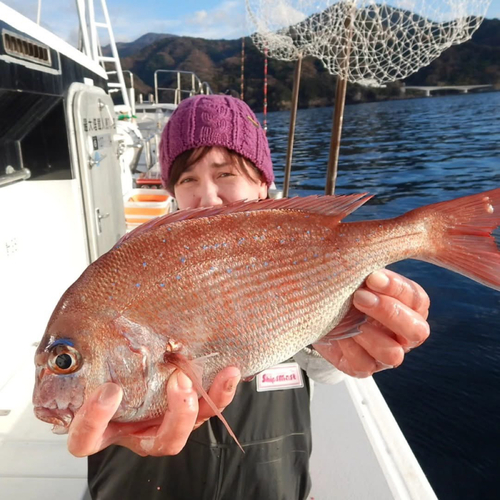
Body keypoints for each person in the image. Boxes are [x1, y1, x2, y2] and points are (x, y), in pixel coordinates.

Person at [75, 95, 430, 499]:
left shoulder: (296, 254)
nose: (207, 196)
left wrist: (352, 336)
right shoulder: (134, 271)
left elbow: (329, 369)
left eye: (225, 173)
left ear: (263, 183)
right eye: (187, 179)